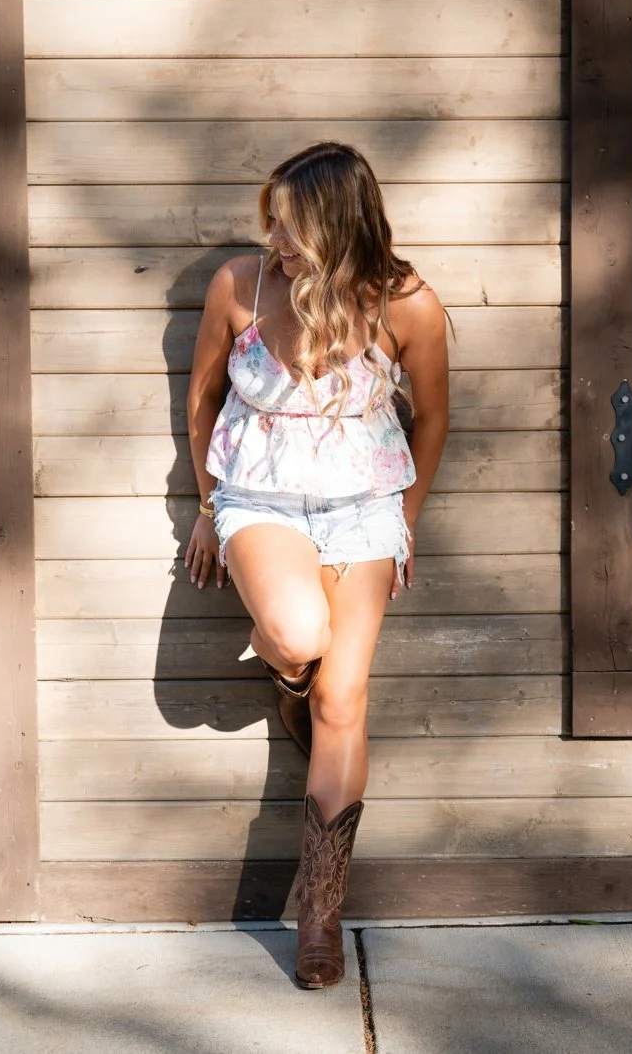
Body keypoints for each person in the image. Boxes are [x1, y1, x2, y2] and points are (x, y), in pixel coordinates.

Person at [183, 143, 450, 989]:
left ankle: (318, 917)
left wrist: (400, 526)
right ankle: (286, 676)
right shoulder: (240, 285)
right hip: (260, 499)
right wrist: (204, 505)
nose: (274, 238)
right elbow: (200, 406)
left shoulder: (407, 304)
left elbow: (433, 421)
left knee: (345, 697)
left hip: (366, 509)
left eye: (291, 224)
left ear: (337, 227)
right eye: (271, 221)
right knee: (296, 634)